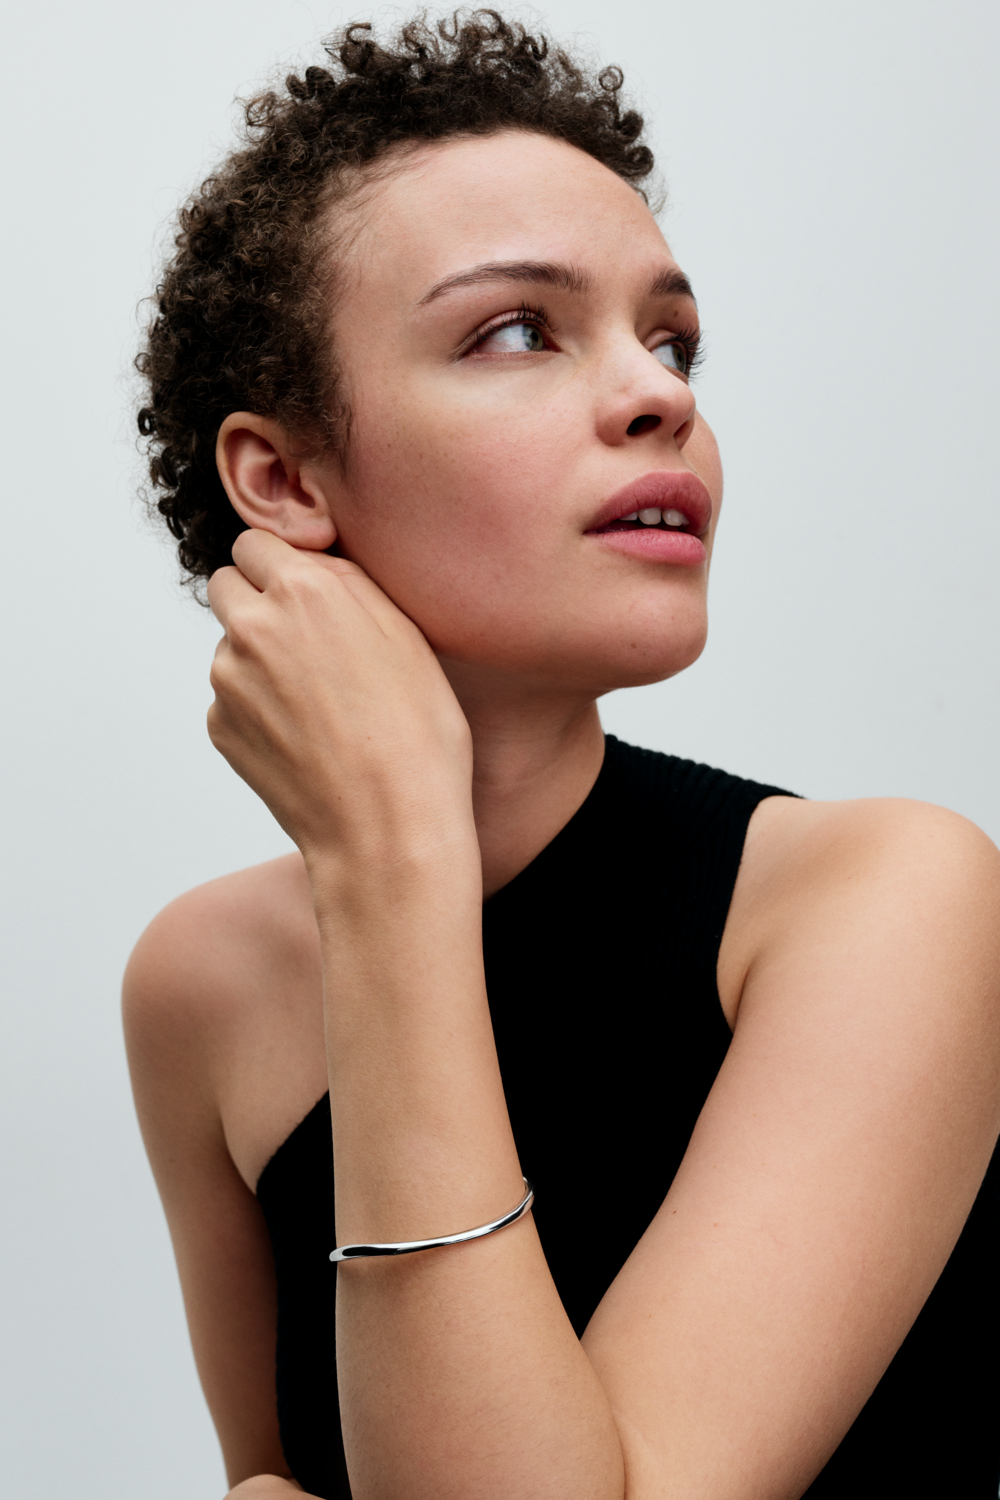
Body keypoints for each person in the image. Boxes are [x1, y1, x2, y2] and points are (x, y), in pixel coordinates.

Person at [123, 13, 1000, 1498]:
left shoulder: (888, 899)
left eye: (672, 339)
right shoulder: (202, 986)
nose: (666, 395)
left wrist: (392, 862)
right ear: (283, 477)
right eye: (517, 330)